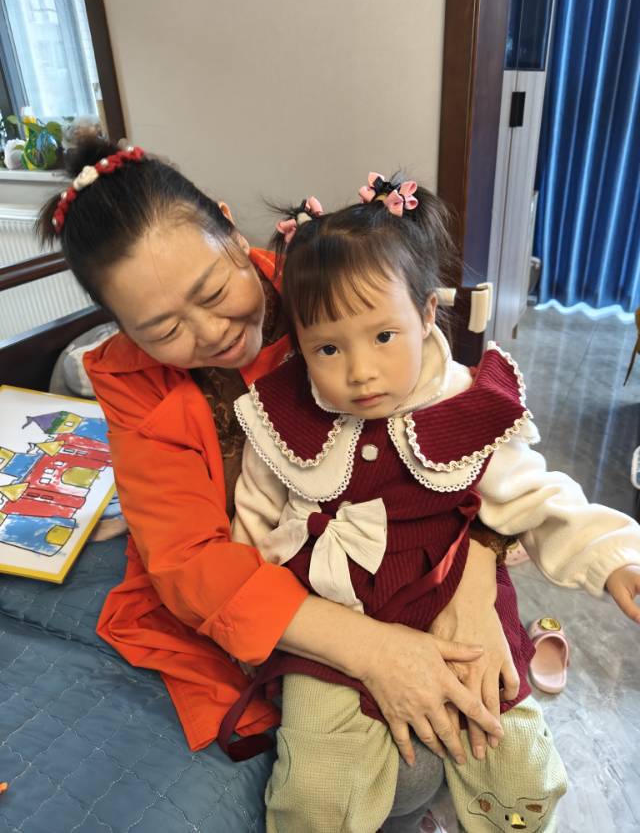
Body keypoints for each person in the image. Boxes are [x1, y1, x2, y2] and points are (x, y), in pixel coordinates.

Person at [36, 139, 518, 830]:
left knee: (480, 727)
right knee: (400, 773)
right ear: (124, 329)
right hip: (286, 576)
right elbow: (189, 561)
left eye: (213, 293)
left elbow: (470, 430)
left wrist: (475, 580)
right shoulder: (131, 382)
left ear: (233, 233)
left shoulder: (325, 284)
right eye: (163, 329)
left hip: (415, 543)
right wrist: (376, 651)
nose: (210, 332)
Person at [223, 174, 640, 832]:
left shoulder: (467, 405)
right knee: (316, 792)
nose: (360, 371)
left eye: (383, 336)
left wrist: (616, 559)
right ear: (299, 344)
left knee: (519, 775)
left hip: (456, 616)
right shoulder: (280, 418)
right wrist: (253, 635)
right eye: (328, 348)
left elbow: (540, 499)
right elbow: (251, 528)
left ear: (423, 314)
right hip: (334, 632)